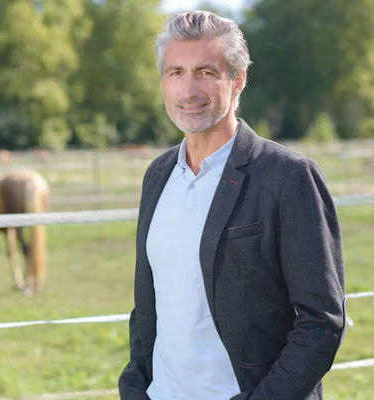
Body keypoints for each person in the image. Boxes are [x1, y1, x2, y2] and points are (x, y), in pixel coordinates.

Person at [118, 10, 346, 400]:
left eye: (205, 72)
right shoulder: (157, 176)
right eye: (176, 73)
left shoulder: (287, 177)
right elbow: (149, 305)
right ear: (163, 82)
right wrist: (136, 386)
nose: (188, 91)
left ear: (237, 81)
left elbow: (321, 322)